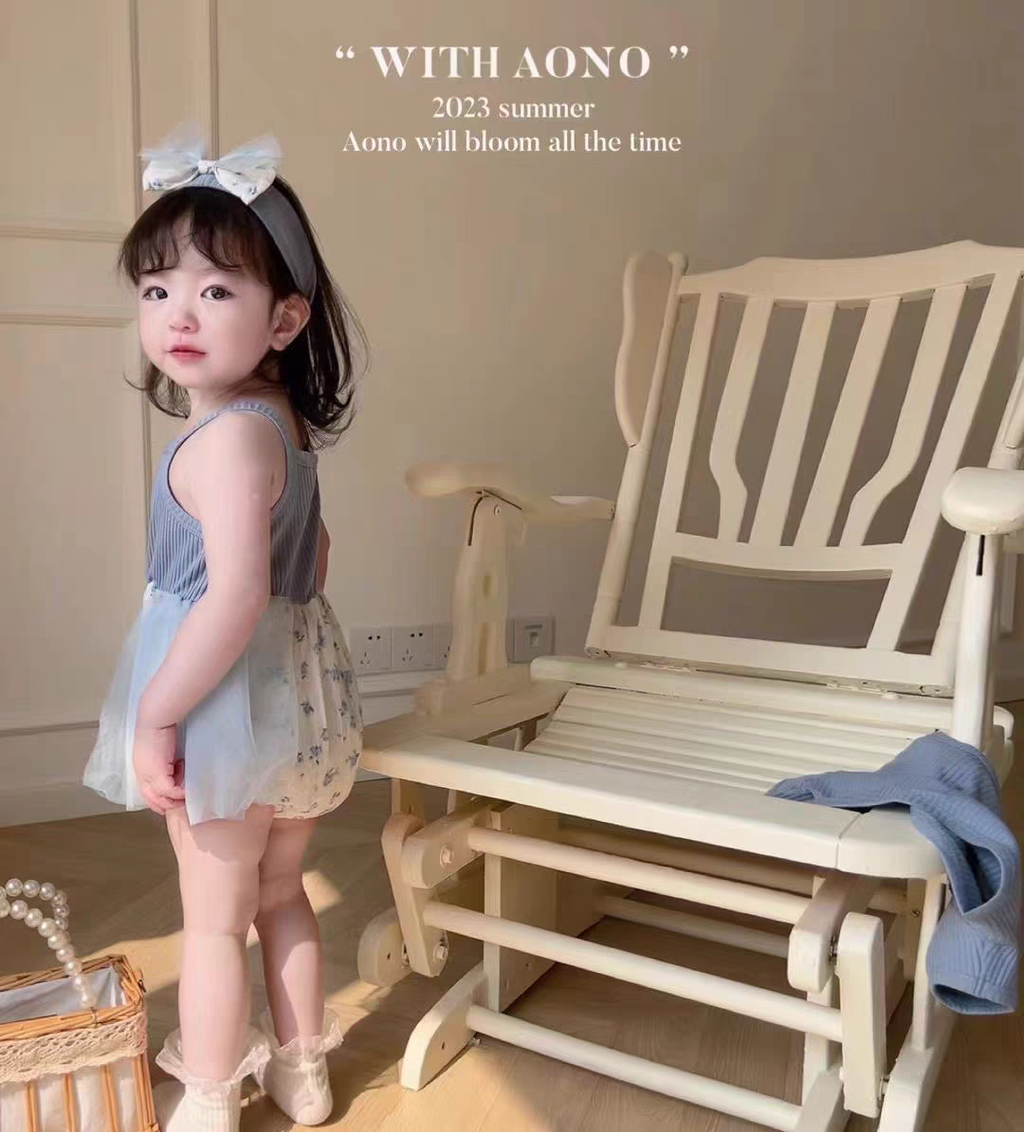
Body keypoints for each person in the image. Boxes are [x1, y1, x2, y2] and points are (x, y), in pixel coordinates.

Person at [81, 121, 370, 1131]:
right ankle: (304, 1071)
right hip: (303, 715)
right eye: (157, 289)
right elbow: (312, 565)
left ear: (284, 318)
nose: (177, 314)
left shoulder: (221, 444)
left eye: (215, 291)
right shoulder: (284, 433)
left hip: (225, 716)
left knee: (213, 923)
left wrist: (160, 710)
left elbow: (237, 595)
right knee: (283, 893)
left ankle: (208, 1096)